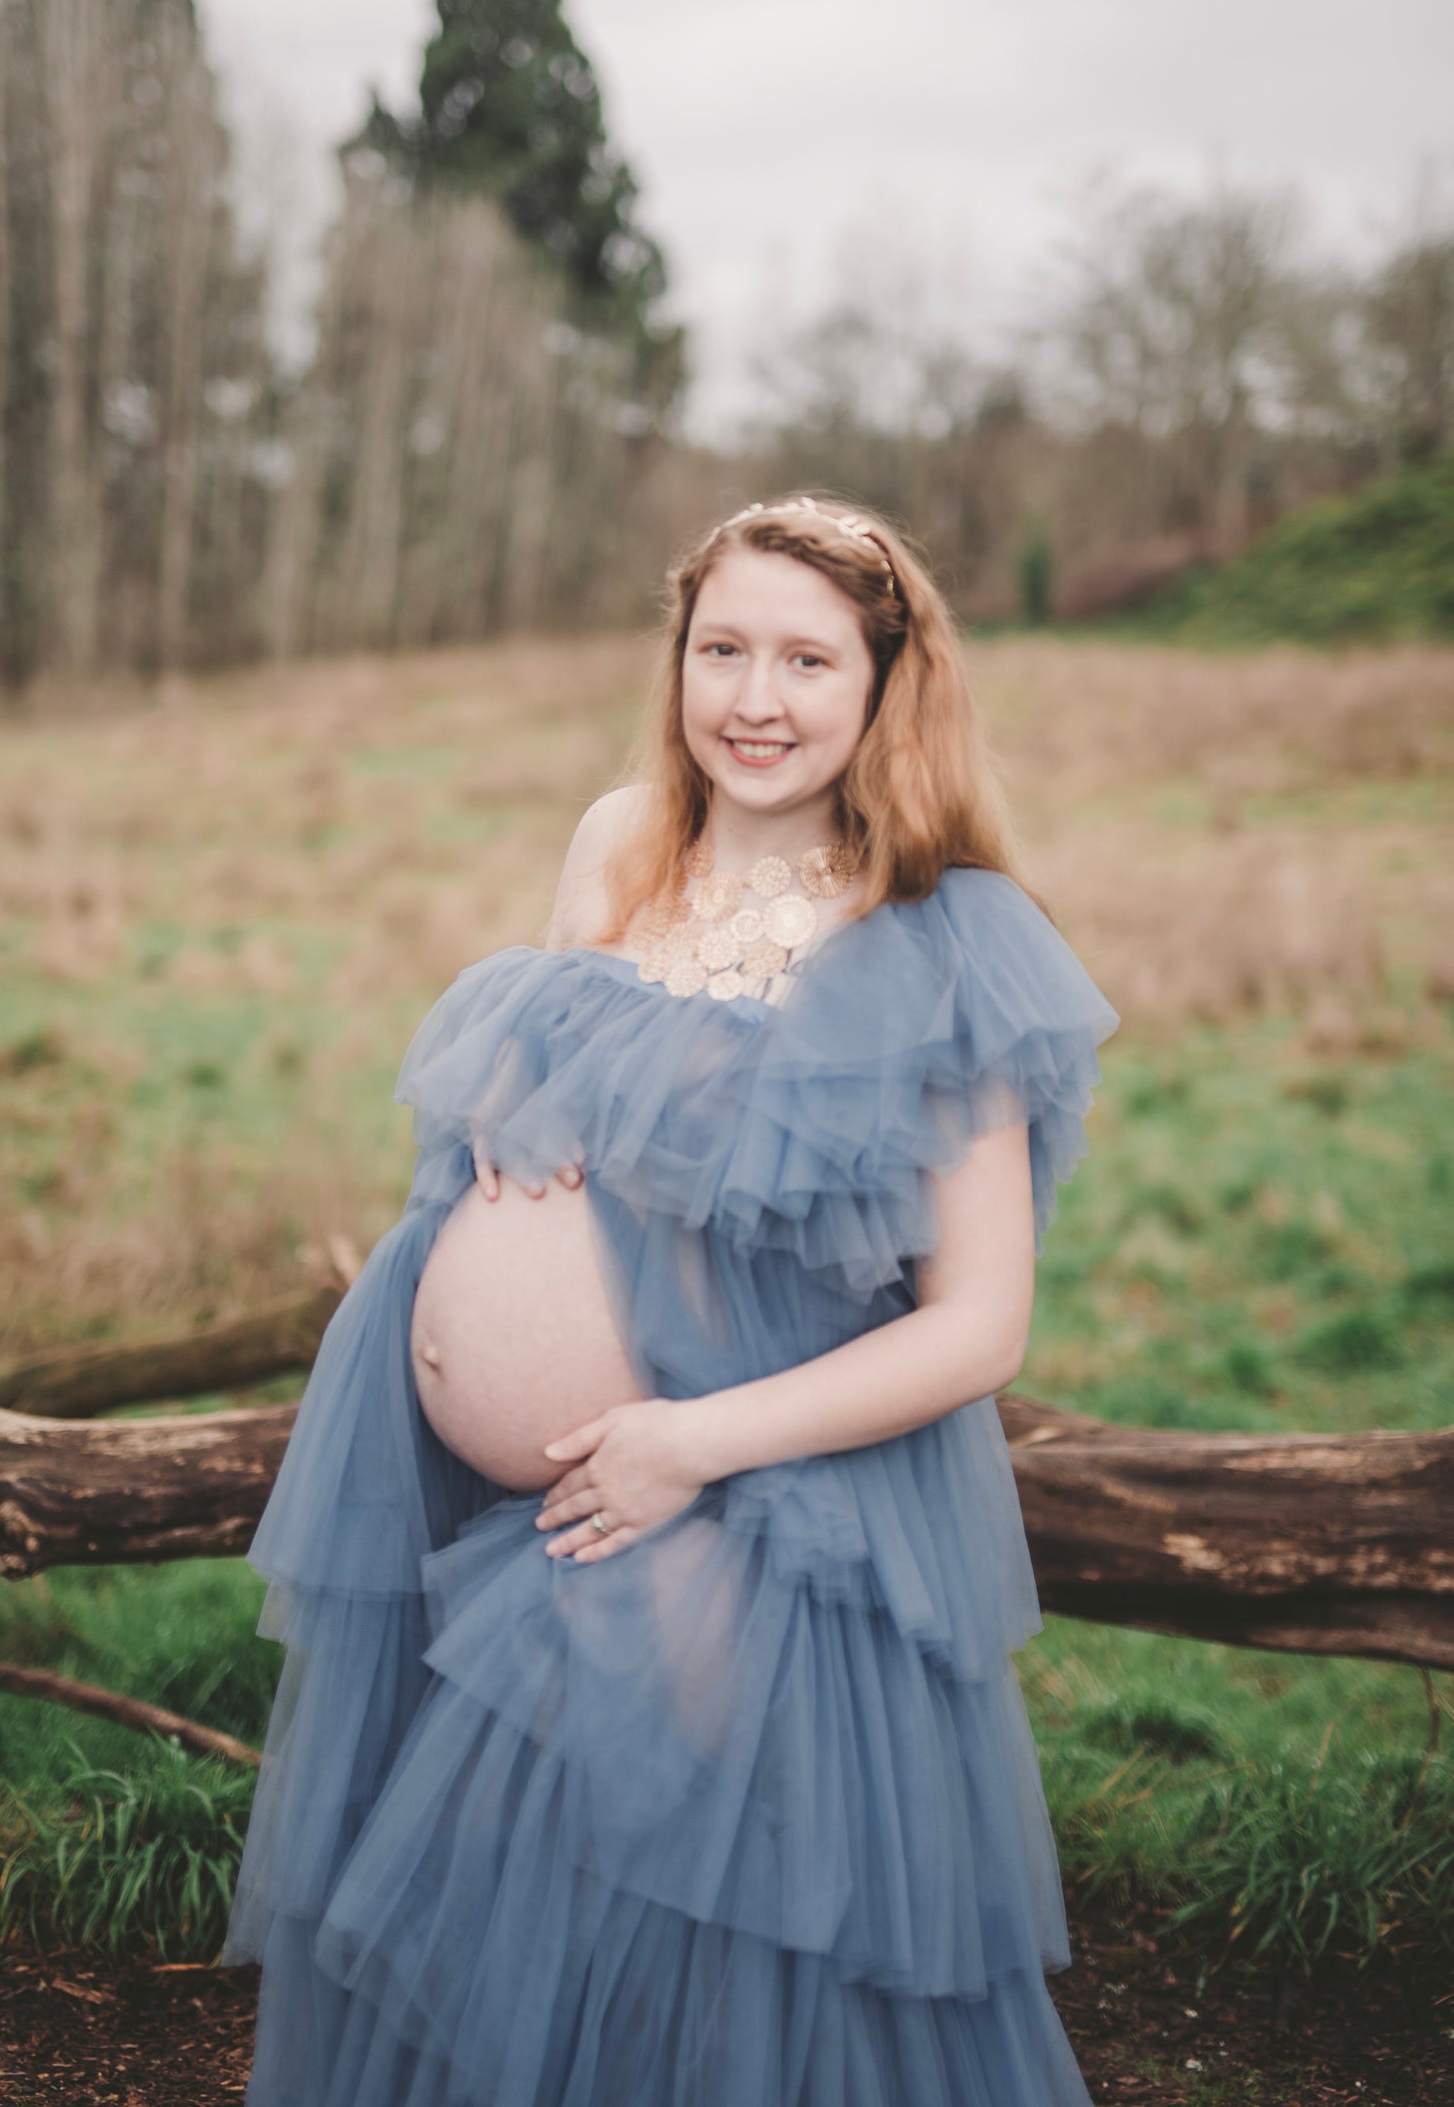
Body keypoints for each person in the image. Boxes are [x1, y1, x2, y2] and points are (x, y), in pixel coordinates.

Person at [223, 492, 1118, 2106]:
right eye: (723, 650)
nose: (754, 699)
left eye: (806, 660)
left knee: (679, 1940)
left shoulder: (942, 933)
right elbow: (549, 1106)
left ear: (886, 680)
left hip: (750, 1490)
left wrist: (689, 1446)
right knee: (497, 1920)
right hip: (496, 1487)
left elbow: (981, 1324)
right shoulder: (619, 841)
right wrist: (512, 1121)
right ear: (679, 658)